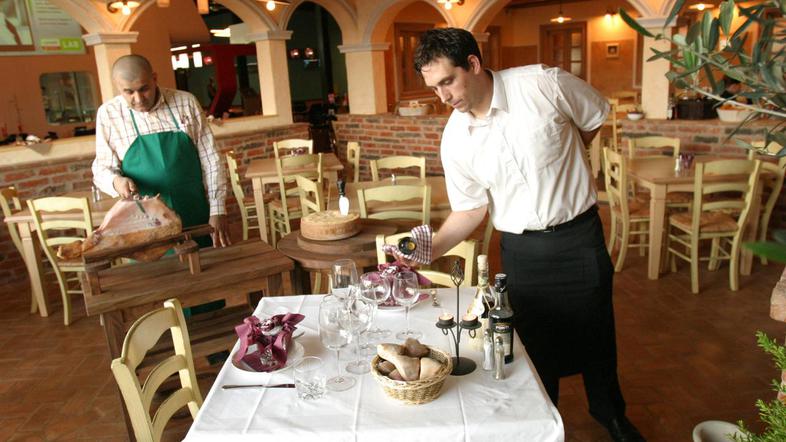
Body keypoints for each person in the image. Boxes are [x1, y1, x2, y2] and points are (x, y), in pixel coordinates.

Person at [410, 28, 645, 442]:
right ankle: (542, 425)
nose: (443, 97)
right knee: (533, 349)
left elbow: (594, 118)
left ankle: (611, 416)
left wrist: (568, 154)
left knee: (597, 334)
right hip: (521, 252)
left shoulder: (543, 84)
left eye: (448, 81)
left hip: (578, 238)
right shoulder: (455, 138)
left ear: (473, 64)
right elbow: (470, 209)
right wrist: (426, 250)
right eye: (434, 88)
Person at [92, 54, 230, 248]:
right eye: (129, 92)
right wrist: (116, 181)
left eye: (144, 89)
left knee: (205, 264)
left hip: (194, 211)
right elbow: (102, 168)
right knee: (155, 267)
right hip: (144, 223)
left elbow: (211, 159)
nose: (138, 99)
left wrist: (217, 210)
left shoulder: (186, 102)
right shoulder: (108, 114)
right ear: (118, 87)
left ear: (154, 78)